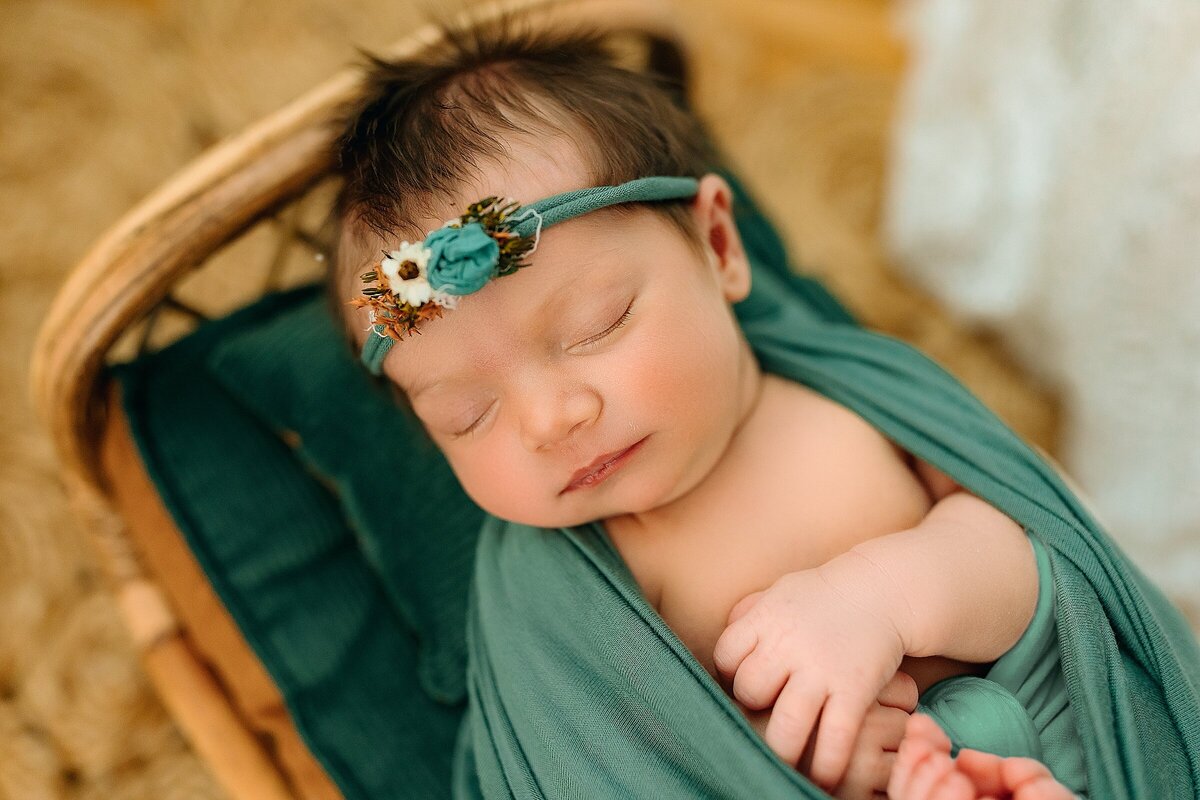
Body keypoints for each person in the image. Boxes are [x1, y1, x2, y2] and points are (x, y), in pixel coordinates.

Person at [328, 19, 1084, 800]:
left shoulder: (856, 395)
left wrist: (883, 597)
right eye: (467, 414)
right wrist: (781, 758)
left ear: (719, 245)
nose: (548, 421)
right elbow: (611, 770)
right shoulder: (554, 604)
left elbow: (1036, 546)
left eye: (598, 325)